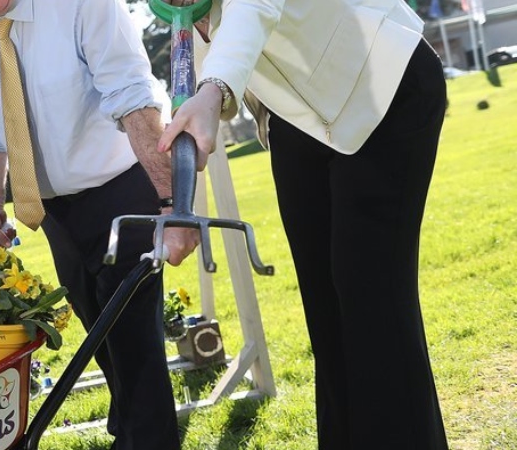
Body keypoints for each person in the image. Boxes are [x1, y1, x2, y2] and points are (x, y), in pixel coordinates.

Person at [157, 0, 449, 447]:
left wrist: (213, 88)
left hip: (379, 78)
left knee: (370, 295)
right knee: (324, 302)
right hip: (298, 115)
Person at [0, 0, 201, 448]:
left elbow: (133, 97)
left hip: (125, 192)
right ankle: (129, 427)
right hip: (54, 213)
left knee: (132, 342)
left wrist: (171, 203)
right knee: (102, 337)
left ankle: (145, 438)